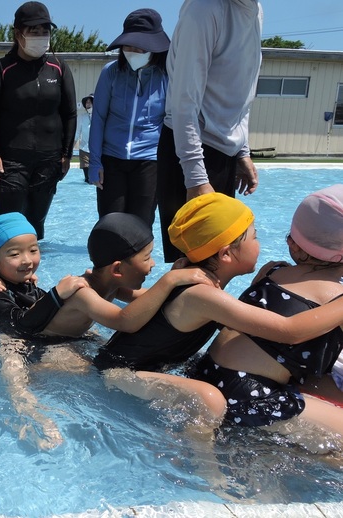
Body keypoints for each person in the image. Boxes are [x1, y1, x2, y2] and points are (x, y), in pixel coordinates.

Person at [95, 193, 343, 432]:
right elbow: (287, 331)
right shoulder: (202, 294)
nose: (259, 244)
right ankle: (204, 462)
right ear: (225, 254)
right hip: (120, 374)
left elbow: (158, 306)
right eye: (254, 238)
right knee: (210, 399)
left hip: (157, 368)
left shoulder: (192, 276)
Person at [0, 211, 217, 449]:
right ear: (117, 269)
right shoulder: (83, 292)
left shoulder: (111, 285)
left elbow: (151, 302)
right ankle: (28, 414)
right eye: (148, 258)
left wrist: (188, 290)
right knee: (13, 371)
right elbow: (125, 320)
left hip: (60, 340)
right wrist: (170, 280)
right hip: (15, 339)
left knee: (94, 361)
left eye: (33, 250)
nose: (153, 264)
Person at [192, 185, 343, 450]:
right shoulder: (337, 298)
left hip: (207, 373)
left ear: (294, 245)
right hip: (250, 398)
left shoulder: (272, 271)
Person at [156, 0, 262, 262]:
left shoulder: (255, 10)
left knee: (219, 262)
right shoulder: (204, 9)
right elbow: (184, 102)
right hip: (190, 149)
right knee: (194, 263)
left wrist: (241, 151)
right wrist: (194, 178)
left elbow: (244, 92)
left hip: (224, 152)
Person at [0, 1, 77, 239]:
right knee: (8, 225)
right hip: (11, 159)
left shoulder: (58, 68)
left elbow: (70, 113)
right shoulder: (1, 69)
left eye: (45, 31)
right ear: (18, 33)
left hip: (48, 159)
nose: (41, 36)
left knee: (36, 225)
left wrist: (66, 154)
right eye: (34, 31)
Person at [87, 8, 169, 226]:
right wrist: (95, 162)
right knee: (110, 224)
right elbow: (98, 119)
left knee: (141, 225)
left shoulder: (167, 76)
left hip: (149, 161)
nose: (132, 51)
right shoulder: (110, 72)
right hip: (112, 159)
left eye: (139, 46)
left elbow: (173, 122)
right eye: (128, 45)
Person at [75, 93, 93, 182]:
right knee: (88, 179)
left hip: (97, 150)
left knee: (96, 178)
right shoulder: (82, 117)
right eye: (86, 102)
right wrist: (69, 148)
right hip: (84, 149)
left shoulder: (100, 117)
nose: (88, 104)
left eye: (90, 102)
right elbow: (77, 133)